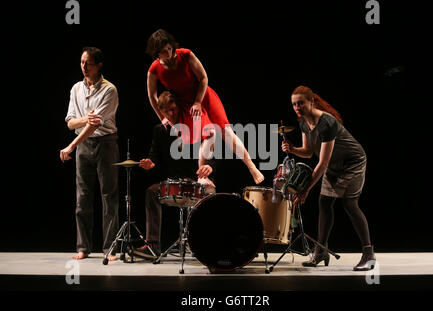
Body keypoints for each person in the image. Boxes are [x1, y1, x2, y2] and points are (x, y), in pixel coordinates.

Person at [145, 29, 264, 184]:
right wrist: (163, 118)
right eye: (163, 52)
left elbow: (203, 78)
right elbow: (152, 96)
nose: (168, 54)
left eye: (169, 49)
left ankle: (251, 166)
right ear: (156, 53)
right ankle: (202, 174)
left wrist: (198, 102)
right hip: (185, 104)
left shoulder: (185, 55)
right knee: (208, 134)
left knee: (225, 132)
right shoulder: (154, 69)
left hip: (203, 96)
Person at [281, 85, 375, 271]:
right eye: (294, 104)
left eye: (301, 103)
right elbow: (308, 152)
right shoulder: (303, 122)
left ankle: (368, 254)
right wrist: (292, 149)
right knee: (324, 202)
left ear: (312, 101)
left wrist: (305, 188)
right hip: (334, 164)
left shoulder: (327, 123)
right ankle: (321, 250)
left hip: (352, 162)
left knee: (350, 204)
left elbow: (322, 163)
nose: (297, 107)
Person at [133, 91, 216, 259]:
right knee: (151, 192)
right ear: (161, 112)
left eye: (173, 109)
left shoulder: (195, 126)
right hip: (172, 183)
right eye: (167, 111)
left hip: (196, 181)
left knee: (211, 194)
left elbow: (212, 152)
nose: (171, 114)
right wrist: (150, 165)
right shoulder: (160, 130)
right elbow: (154, 157)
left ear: (178, 107)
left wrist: (209, 168)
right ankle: (153, 245)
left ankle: (206, 245)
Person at [60, 47, 119, 261]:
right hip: (84, 146)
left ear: (99, 65)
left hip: (105, 143)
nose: (84, 67)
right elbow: (70, 122)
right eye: (82, 62)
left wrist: (71, 146)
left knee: (108, 195)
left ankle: (109, 248)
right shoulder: (76, 89)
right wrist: (86, 119)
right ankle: (83, 247)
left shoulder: (109, 90)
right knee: (83, 196)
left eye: (89, 63)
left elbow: (95, 126)